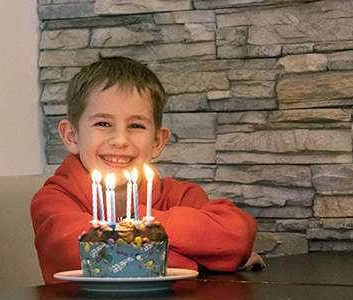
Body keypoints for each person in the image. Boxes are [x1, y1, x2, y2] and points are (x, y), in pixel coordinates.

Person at [31, 56, 261, 285]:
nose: (120, 140)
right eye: (103, 124)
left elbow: (237, 236)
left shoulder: (179, 196)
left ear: (157, 142)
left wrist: (143, 221)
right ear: (72, 136)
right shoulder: (53, 200)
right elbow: (98, 258)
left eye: (136, 126)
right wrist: (206, 264)